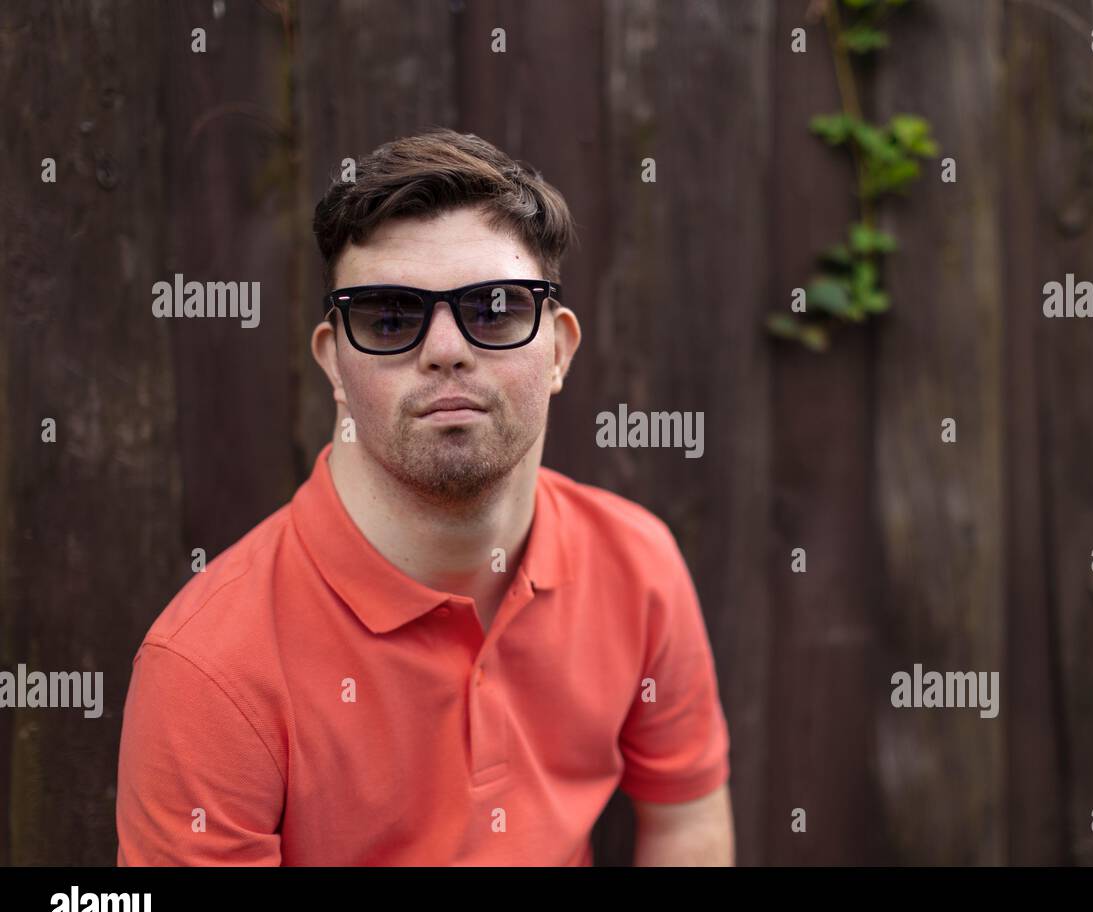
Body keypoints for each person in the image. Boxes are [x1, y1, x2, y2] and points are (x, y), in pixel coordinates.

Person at [115, 128, 733, 866]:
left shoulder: (637, 564)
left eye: (496, 307)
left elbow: (687, 825)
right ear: (335, 363)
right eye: (390, 317)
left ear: (561, 348)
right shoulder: (208, 668)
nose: (445, 347)